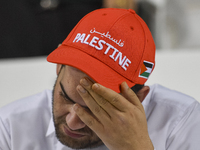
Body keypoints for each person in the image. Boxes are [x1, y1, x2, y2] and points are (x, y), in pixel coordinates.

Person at [0, 8, 200, 150]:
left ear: (139, 98)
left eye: (95, 108)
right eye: (66, 97)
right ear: (59, 67)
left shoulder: (180, 123)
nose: (73, 122)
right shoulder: (11, 128)